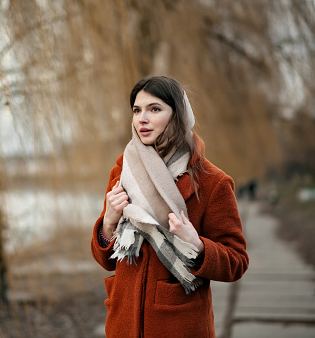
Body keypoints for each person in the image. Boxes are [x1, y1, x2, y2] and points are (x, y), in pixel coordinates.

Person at [91, 75, 249, 338]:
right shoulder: (122, 171)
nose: (142, 118)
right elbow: (106, 261)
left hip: (179, 325)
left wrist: (197, 245)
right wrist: (108, 222)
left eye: (154, 109)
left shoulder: (212, 182)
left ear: (177, 116)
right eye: (137, 110)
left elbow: (237, 261)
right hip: (123, 322)